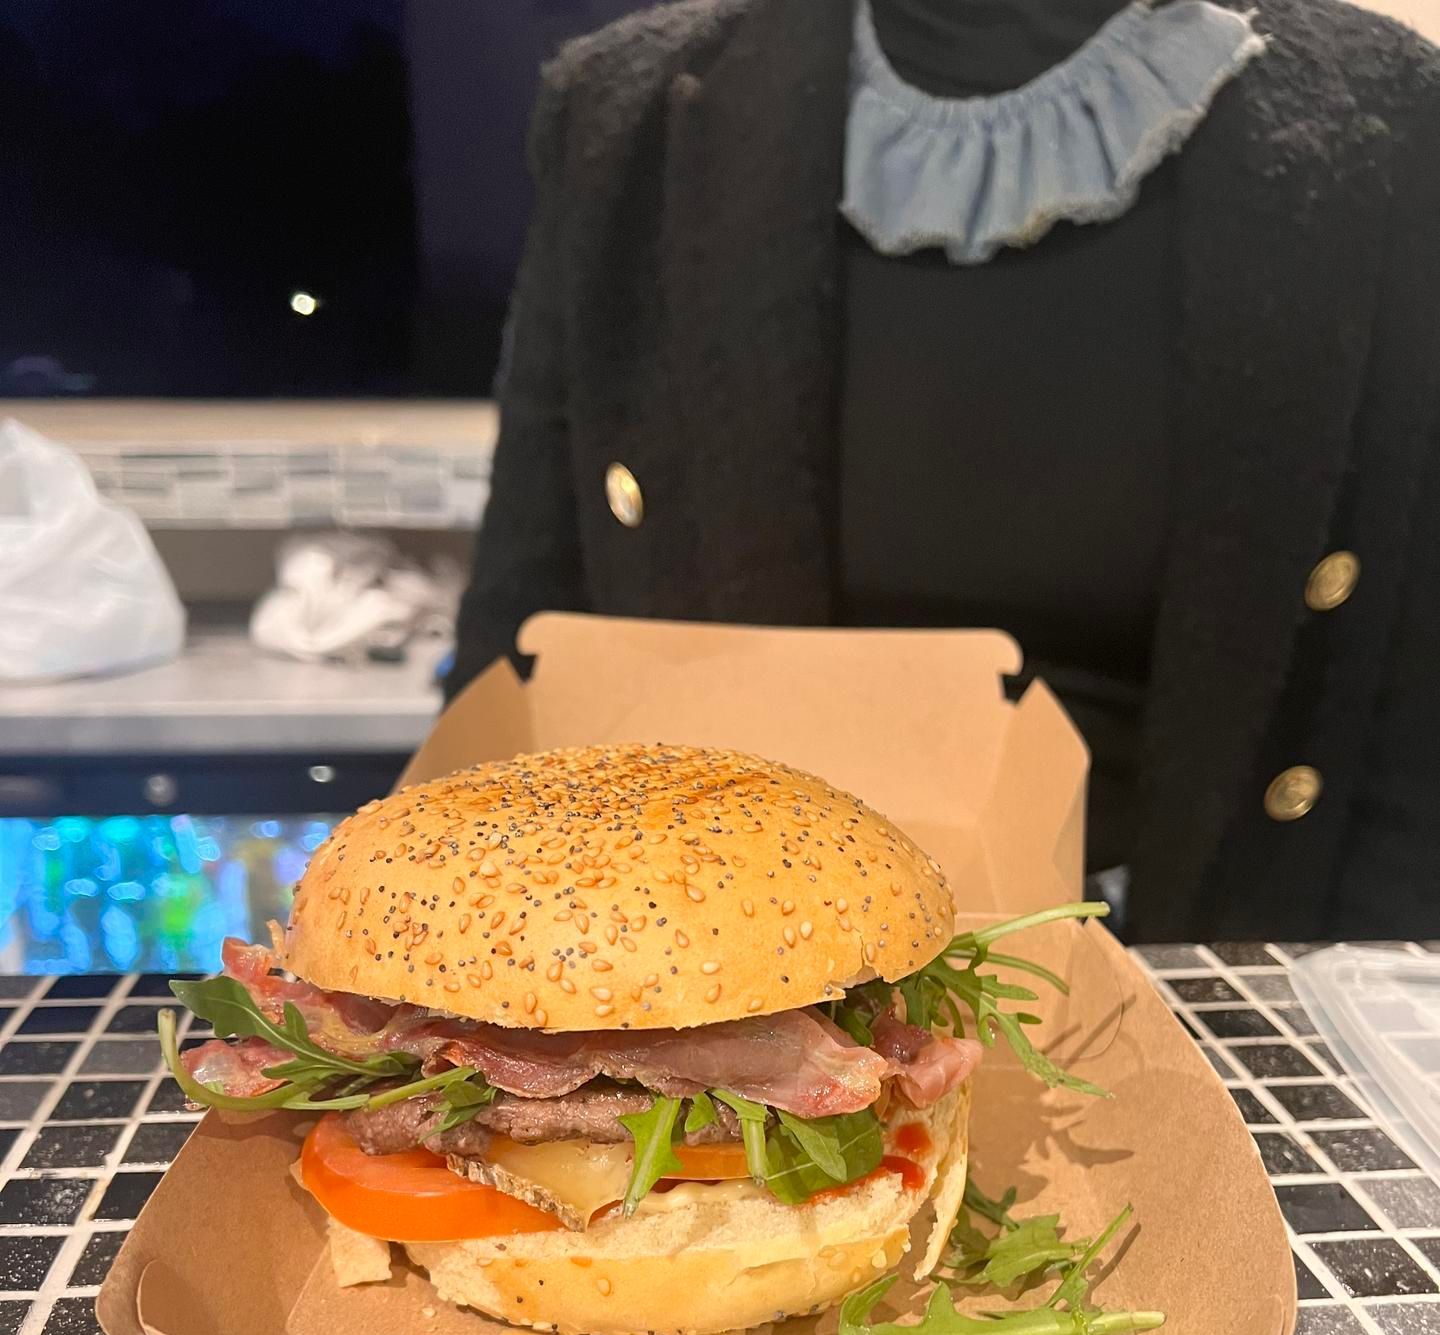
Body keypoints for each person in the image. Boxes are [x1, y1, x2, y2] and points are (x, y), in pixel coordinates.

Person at [447, 0, 1440, 941]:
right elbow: (520, 633)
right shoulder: (623, 115)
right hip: (718, 981)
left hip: (1212, 967)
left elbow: (1413, 689)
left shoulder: (1391, 113)